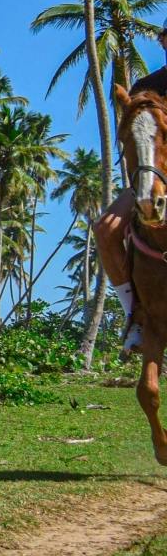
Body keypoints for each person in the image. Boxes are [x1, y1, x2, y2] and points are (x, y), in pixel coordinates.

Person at [94, 22, 167, 351]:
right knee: (106, 229)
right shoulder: (145, 86)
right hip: (153, 179)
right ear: (163, 42)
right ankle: (134, 316)